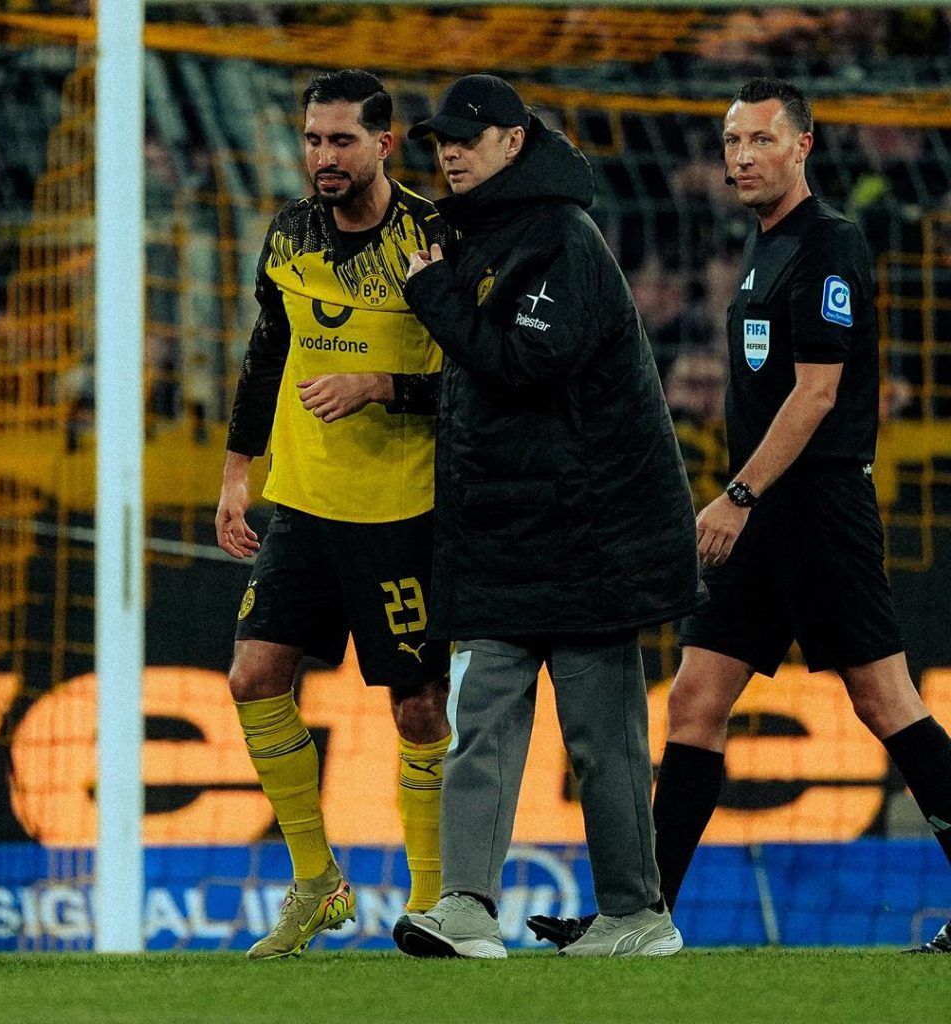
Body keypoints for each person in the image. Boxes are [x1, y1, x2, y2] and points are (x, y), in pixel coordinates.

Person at [526, 77, 951, 955]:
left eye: (760, 140)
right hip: (763, 521)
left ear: (802, 145)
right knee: (694, 701)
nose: (743, 157)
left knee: (883, 700)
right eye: (731, 144)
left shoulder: (828, 244)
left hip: (815, 511)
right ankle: (643, 918)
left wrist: (739, 495)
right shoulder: (761, 247)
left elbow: (819, 391)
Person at [389, 74, 705, 959]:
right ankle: (464, 907)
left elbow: (526, 365)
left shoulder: (562, 239)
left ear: (513, 144)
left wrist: (434, 295)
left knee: (603, 741)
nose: (448, 151)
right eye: (442, 140)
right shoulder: (479, 235)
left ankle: (636, 915)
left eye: (466, 137)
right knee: (480, 721)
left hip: (588, 532)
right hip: (502, 530)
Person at [215, 69, 451, 961]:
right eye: (313, 139)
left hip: (403, 510)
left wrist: (380, 383)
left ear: (384, 144)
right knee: (251, 677)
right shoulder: (288, 233)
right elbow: (266, 353)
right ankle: (317, 884)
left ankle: (431, 906)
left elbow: (477, 370)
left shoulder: (432, 238)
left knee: (418, 710)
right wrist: (239, 472)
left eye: (341, 140)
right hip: (304, 506)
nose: (323, 156)